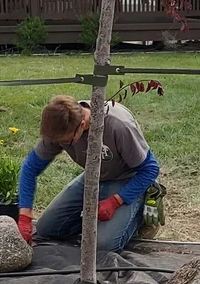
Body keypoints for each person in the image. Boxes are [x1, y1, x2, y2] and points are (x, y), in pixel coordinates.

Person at [18, 94, 160, 252]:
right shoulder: (59, 126)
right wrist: (25, 215)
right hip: (93, 177)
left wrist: (116, 201)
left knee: (103, 246)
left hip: (128, 179)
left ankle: (140, 217)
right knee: (46, 229)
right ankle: (100, 222)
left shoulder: (118, 125)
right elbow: (30, 167)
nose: (62, 144)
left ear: (82, 124)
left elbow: (150, 169)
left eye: (67, 142)